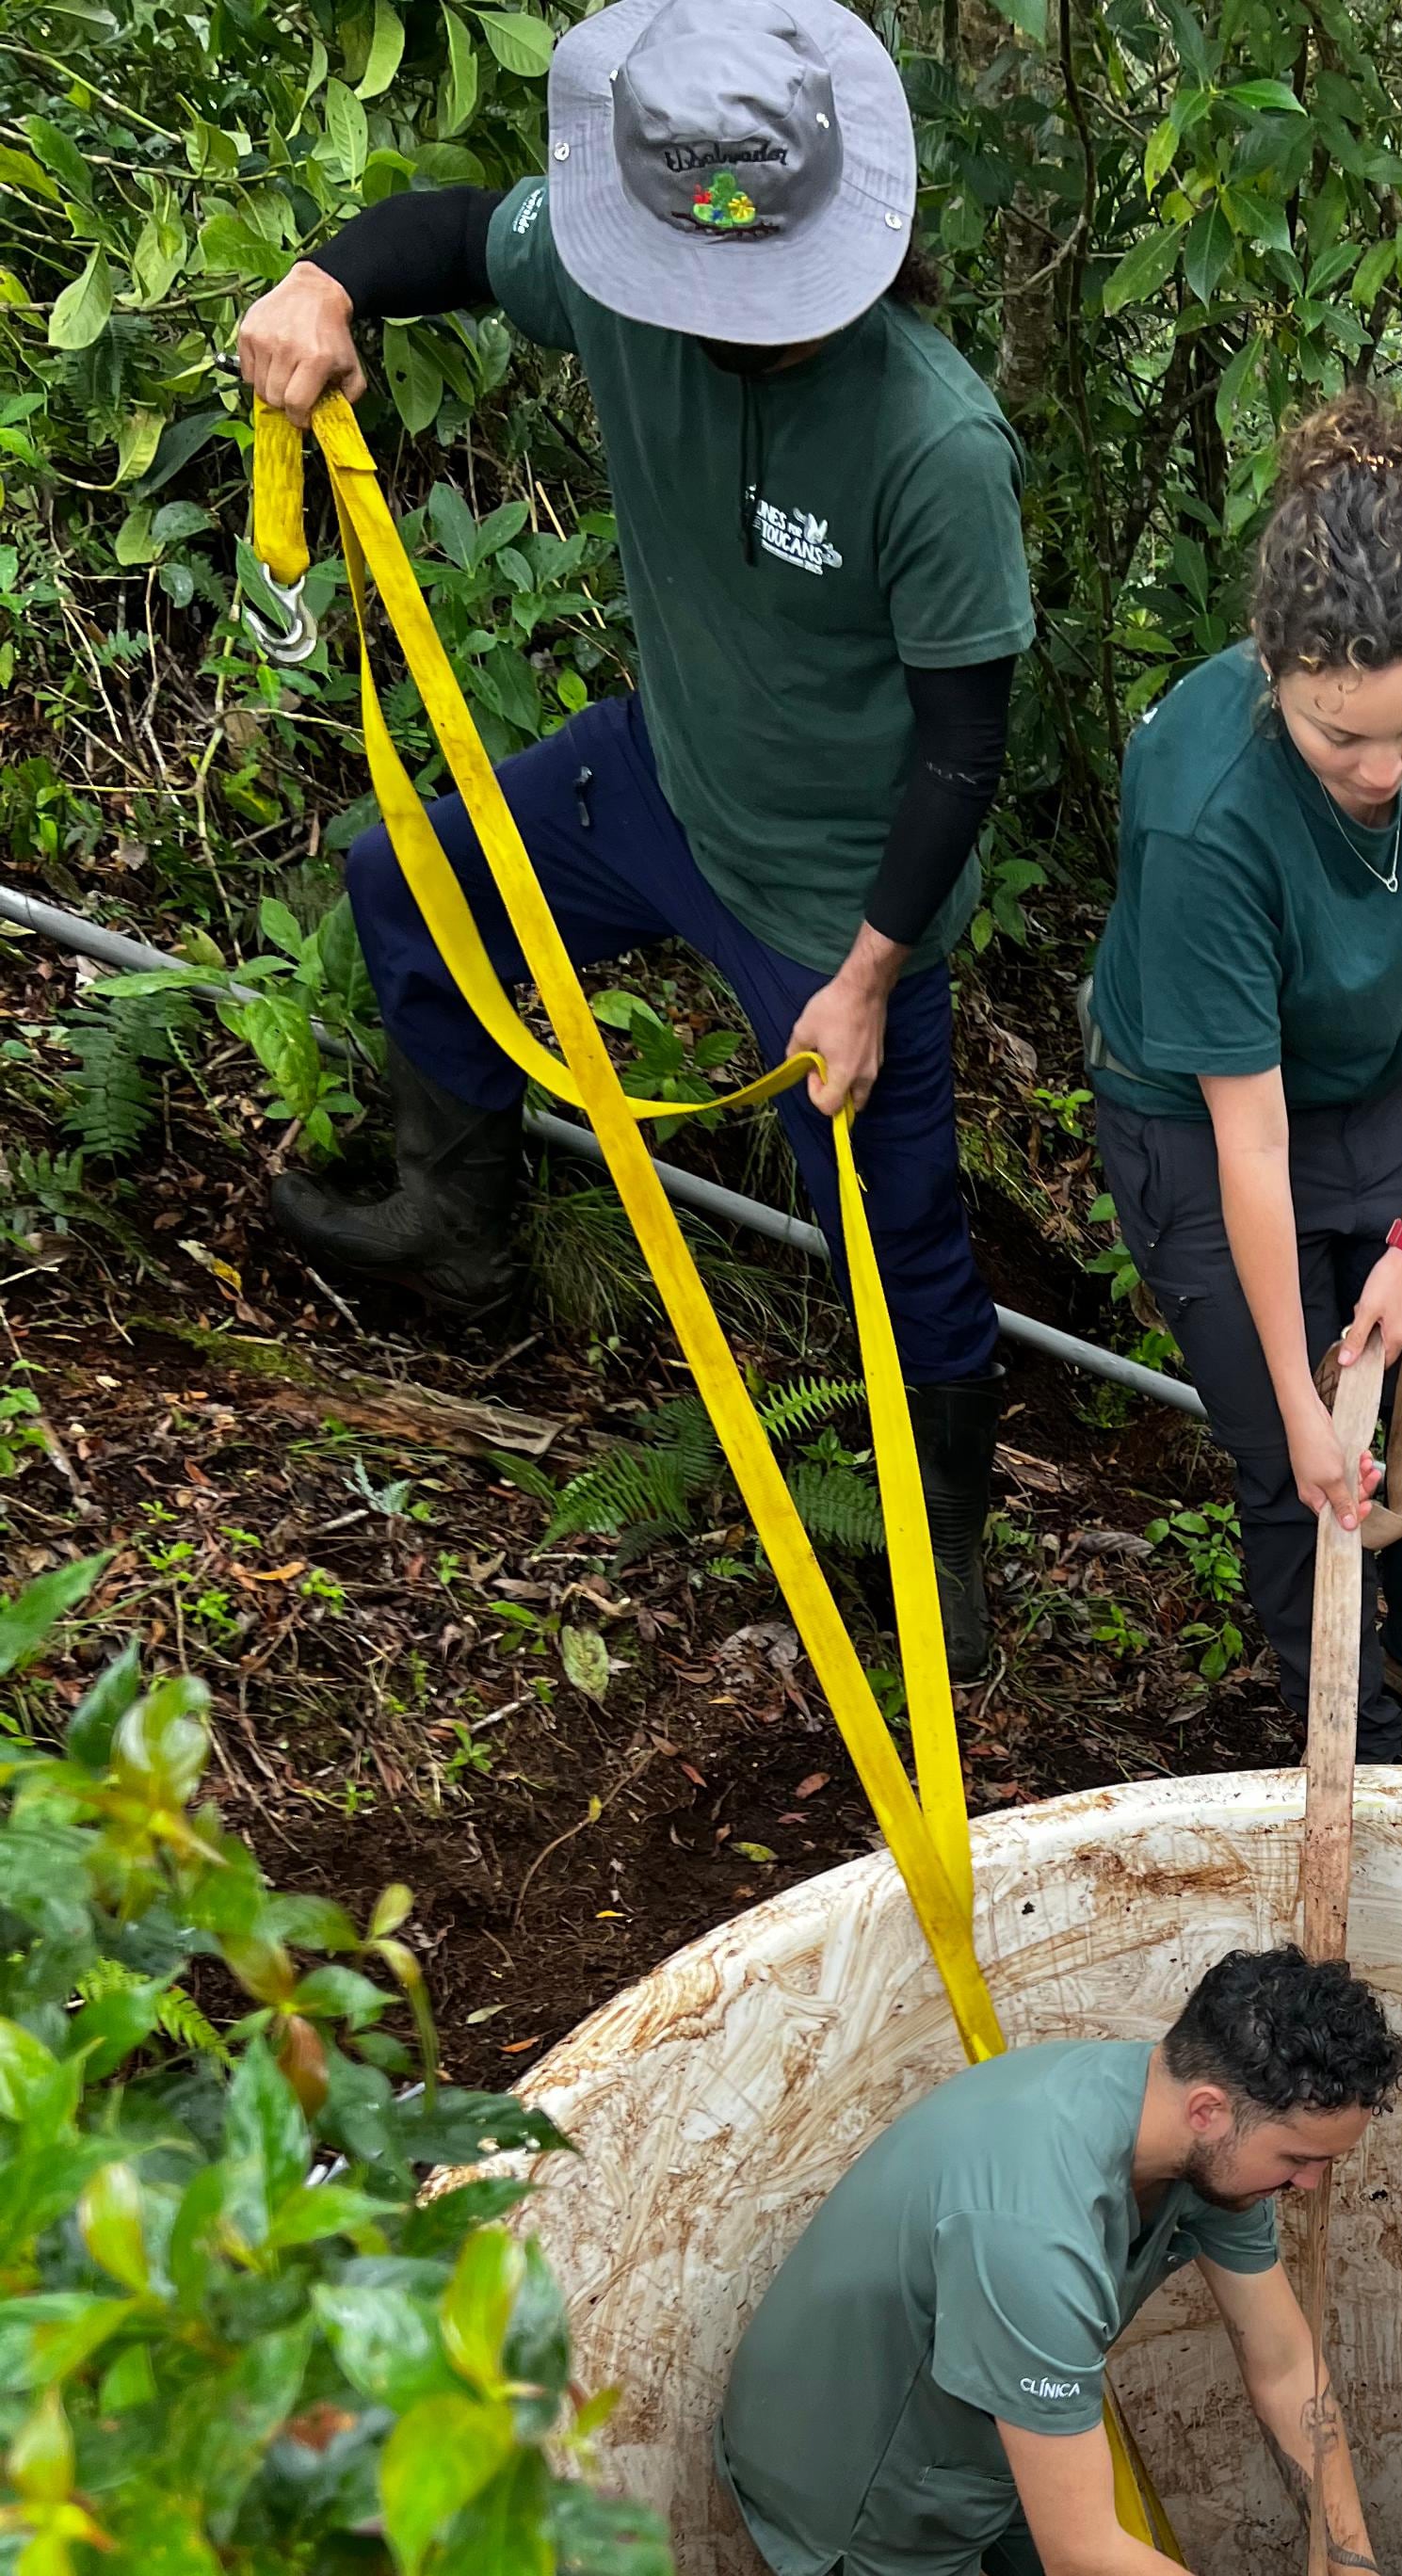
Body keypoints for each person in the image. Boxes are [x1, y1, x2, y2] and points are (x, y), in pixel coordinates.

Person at [232, 0, 1027, 1673]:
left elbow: (964, 744)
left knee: (891, 1244)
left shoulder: (932, 442)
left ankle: (938, 1563)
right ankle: (460, 1240)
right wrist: (321, 280)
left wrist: (873, 974)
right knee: (415, 883)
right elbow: (448, 237)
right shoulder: (623, 267)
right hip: (661, 781)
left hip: (834, 895)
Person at [718, 1949, 1402, 2576]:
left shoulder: (1202, 2147)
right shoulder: (1032, 2228)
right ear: (1212, 2110)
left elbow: (1285, 2360)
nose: (1308, 2187)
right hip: (858, 2472)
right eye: (1300, 2160)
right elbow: (1085, 2554)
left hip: (998, 2415)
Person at [1085, 394, 1402, 1777]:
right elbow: (1249, 1131)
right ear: (1275, 673)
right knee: (1304, 1471)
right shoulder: (1202, 805)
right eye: (1337, 735)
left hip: (1394, 1071)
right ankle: (1334, 1719)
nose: (1379, 768)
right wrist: (1302, 1400)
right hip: (1203, 1116)